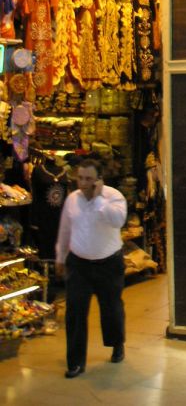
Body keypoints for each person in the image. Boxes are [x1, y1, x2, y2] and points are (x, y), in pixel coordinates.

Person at [55, 158, 127, 378]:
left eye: (88, 179)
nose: (83, 183)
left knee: (112, 308)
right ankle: (75, 362)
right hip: (79, 264)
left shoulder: (114, 197)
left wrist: (98, 200)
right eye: (80, 178)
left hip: (109, 263)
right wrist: (60, 257)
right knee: (75, 312)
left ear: (99, 180)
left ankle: (117, 345)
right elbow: (65, 230)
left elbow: (118, 221)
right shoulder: (72, 200)